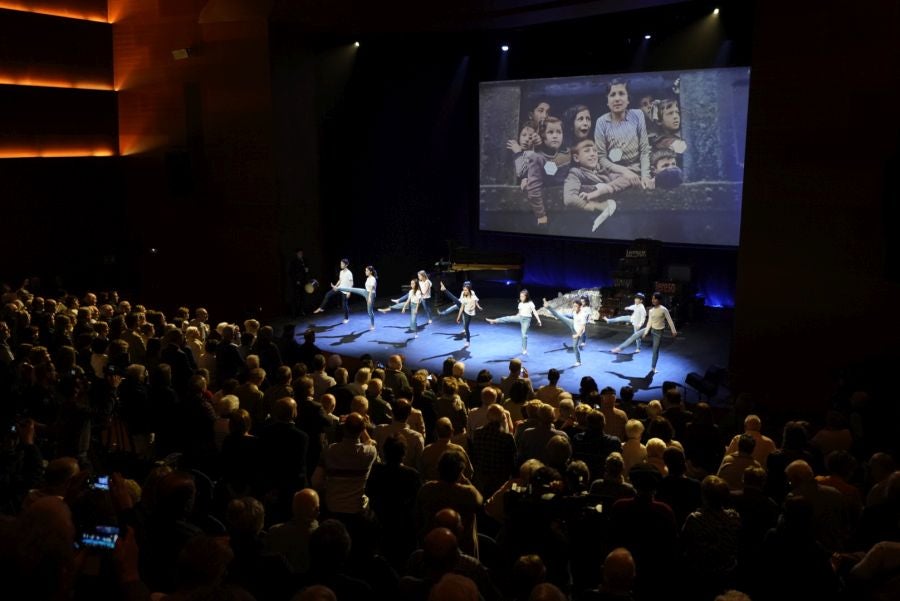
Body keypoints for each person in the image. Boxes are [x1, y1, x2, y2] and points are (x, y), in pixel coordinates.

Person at [594, 77, 653, 189]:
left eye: (621, 94)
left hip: (637, 168)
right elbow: (602, 158)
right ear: (607, 101)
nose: (617, 99)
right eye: (612, 95)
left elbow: (644, 150)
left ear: (628, 99)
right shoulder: (601, 122)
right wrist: (624, 171)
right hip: (615, 171)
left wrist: (646, 176)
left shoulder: (637, 115)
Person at [563, 138, 630, 232]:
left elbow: (627, 179)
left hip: (613, 216)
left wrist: (603, 190)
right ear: (576, 158)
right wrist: (595, 205)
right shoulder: (576, 173)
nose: (593, 154)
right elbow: (569, 198)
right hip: (589, 219)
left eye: (595, 151)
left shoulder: (603, 171)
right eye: (587, 151)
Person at [612, 292, 677, 373]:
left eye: (655, 298)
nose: (653, 300)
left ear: (659, 300)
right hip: (650, 328)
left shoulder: (664, 309)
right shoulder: (651, 310)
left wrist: (673, 331)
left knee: (655, 350)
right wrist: (646, 332)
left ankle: (653, 367)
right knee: (635, 335)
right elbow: (649, 322)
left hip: (658, 332)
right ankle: (620, 348)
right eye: (652, 298)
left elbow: (670, 320)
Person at [486, 289, 542, 355]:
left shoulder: (530, 303)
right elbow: (519, 312)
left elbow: (535, 312)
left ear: (526, 296)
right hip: (520, 317)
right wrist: (514, 317)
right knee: (507, 318)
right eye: (520, 296)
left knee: (524, 335)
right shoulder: (520, 303)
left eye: (522, 296)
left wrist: (539, 320)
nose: (521, 298)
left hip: (526, 320)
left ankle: (524, 349)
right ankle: (494, 321)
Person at [542, 297, 588, 367]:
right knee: (559, 316)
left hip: (578, 331)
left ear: (580, 306)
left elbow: (583, 327)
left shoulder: (583, 315)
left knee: (575, 346)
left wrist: (577, 335)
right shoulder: (575, 311)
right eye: (574, 306)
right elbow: (574, 314)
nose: (574, 307)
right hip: (573, 323)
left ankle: (578, 361)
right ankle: (548, 307)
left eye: (576, 306)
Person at [335, 265, 378, 330]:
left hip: (371, 295)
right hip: (366, 292)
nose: (365, 272)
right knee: (353, 289)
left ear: (371, 272)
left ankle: (372, 325)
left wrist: (369, 298)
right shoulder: (368, 278)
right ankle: (338, 288)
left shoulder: (373, 279)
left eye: (366, 271)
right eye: (365, 270)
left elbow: (372, 288)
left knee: (369, 311)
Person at [313, 258, 353, 323]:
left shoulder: (349, 273)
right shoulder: (341, 272)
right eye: (341, 263)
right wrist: (335, 286)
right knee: (328, 294)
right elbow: (340, 280)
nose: (341, 265)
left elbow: (351, 283)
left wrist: (349, 292)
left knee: (344, 304)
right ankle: (321, 308)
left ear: (346, 265)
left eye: (342, 264)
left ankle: (346, 318)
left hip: (345, 290)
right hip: (339, 288)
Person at [289, 248, 310, 317]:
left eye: (302, 253)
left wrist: (306, 270)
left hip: (303, 281)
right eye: (299, 253)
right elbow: (292, 272)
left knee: (303, 297)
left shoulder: (304, 260)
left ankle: (302, 311)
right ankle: (295, 313)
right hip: (297, 282)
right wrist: (296, 280)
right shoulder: (294, 262)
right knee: (296, 297)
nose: (301, 254)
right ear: (297, 254)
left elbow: (306, 269)